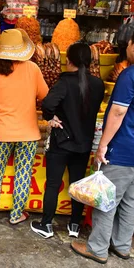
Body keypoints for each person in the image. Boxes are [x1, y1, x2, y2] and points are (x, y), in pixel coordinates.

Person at [71, 24, 134, 263]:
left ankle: (98, 248)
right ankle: (122, 245)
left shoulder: (131, 74)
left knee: (107, 198)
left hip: (124, 147)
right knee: (129, 198)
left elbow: (117, 113)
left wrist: (102, 145)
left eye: (129, 43)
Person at [0, 29, 49, 227]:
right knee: (23, 173)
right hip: (28, 133)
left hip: (1, 133)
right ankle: (17, 214)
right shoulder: (32, 69)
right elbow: (45, 95)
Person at [31, 42, 105, 239]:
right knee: (77, 184)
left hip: (62, 141)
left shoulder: (64, 82)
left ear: (68, 60)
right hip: (83, 143)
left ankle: (46, 224)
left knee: (53, 184)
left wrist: (51, 118)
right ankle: (74, 225)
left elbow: (47, 103)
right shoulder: (98, 84)